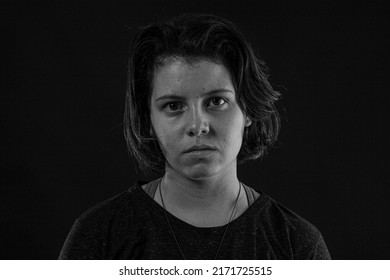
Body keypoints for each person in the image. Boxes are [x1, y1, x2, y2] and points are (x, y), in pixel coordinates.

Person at [59, 14, 331, 259]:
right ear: (149, 120)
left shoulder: (296, 244)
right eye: (174, 106)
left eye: (216, 101)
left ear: (247, 109)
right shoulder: (100, 235)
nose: (197, 126)